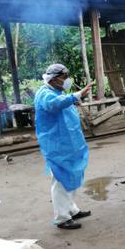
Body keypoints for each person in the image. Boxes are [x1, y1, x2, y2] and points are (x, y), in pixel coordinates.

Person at [35, 64, 93, 230]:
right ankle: (62, 218)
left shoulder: (57, 92)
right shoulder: (45, 94)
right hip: (57, 146)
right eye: (64, 77)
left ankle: (71, 210)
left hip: (69, 144)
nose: (67, 81)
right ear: (53, 79)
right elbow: (54, 105)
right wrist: (76, 95)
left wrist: (75, 96)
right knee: (61, 181)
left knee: (71, 177)